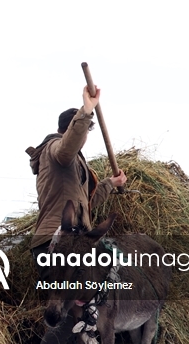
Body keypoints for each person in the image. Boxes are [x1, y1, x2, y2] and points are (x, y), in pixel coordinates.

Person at [25, 85, 128, 261]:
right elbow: (66, 148)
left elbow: (86, 203)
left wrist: (110, 183)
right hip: (58, 241)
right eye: (85, 131)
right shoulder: (54, 148)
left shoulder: (72, 166)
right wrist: (86, 111)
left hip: (76, 241)